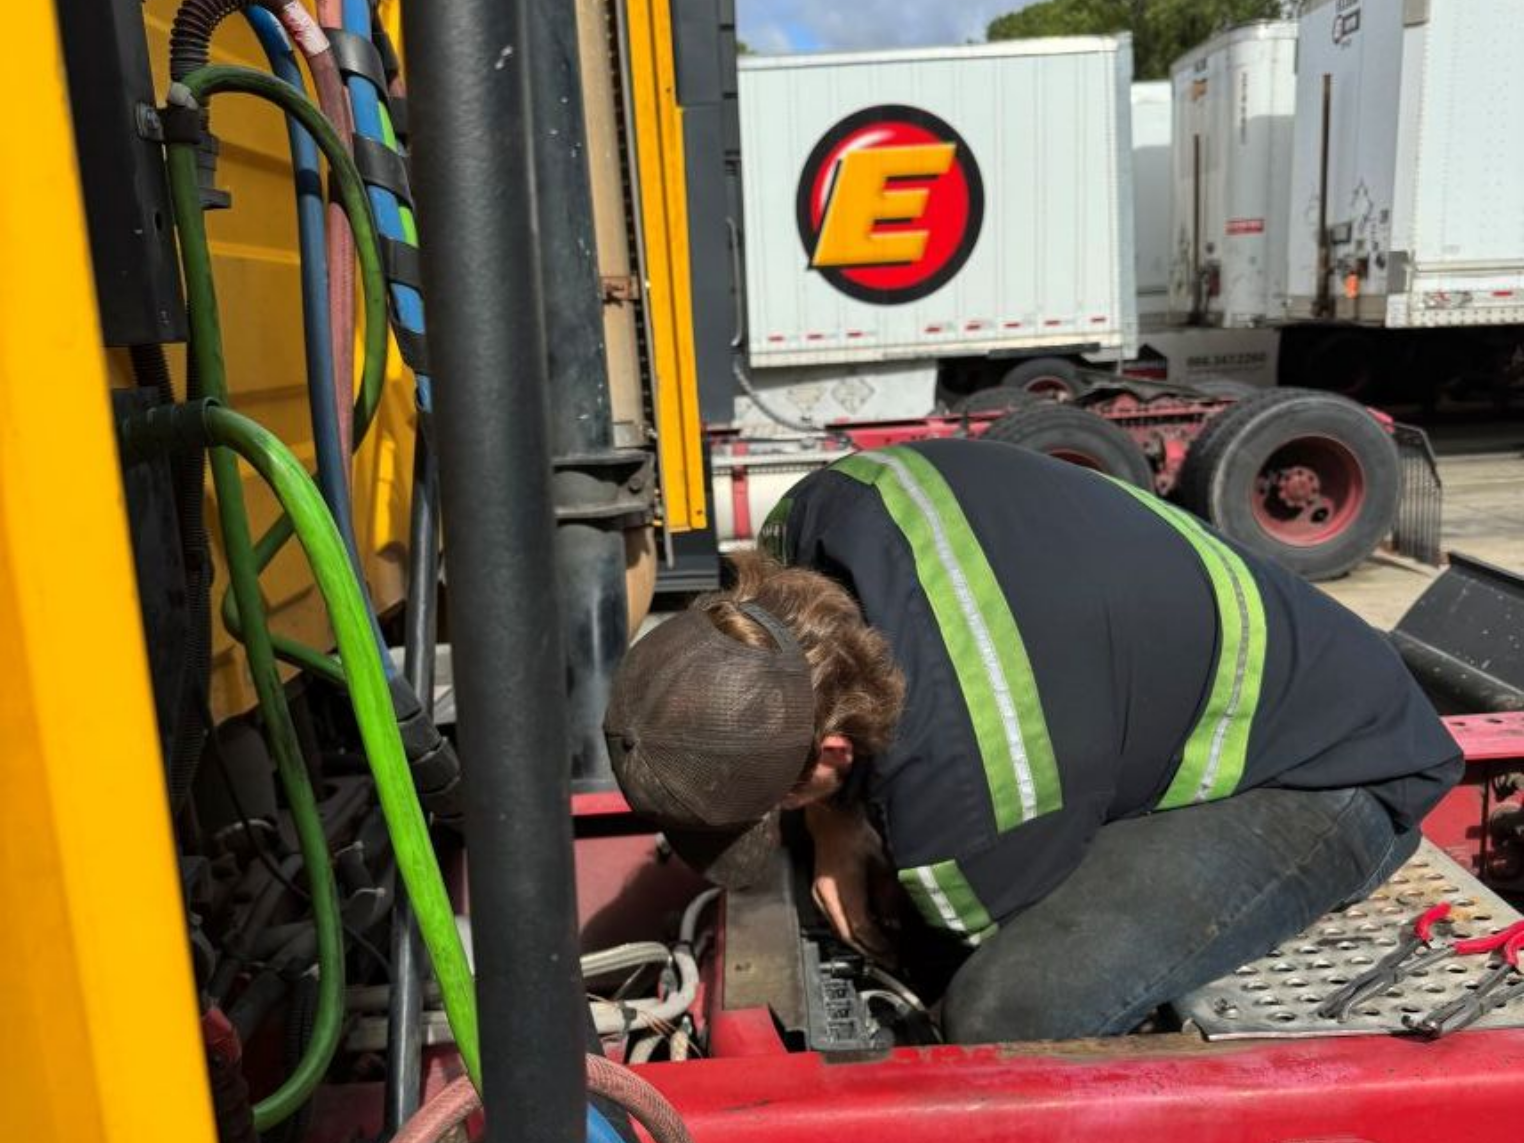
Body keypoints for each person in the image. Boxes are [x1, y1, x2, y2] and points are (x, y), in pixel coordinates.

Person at [603, 439, 1462, 1042]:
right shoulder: (809, 518)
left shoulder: (971, 810)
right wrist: (830, 823)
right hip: (1223, 660)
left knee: (1005, 1014)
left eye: (781, 799)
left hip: (1333, 765)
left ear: (831, 753)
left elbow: (950, 951)